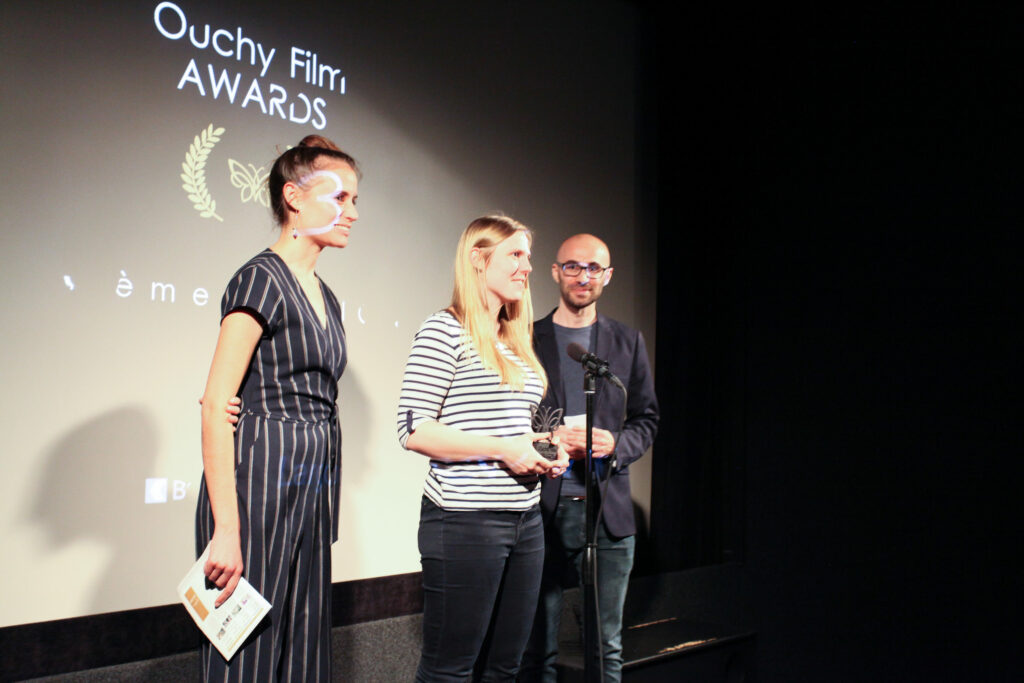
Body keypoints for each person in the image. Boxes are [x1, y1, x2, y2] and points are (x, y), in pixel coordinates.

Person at [195, 135, 359, 681]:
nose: (352, 212)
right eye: (339, 198)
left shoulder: (327, 296)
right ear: (293, 197)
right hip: (259, 484)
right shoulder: (260, 279)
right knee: (247, 658)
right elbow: (216, 404)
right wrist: (227, 528)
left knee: (304, 655)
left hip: (310, 488)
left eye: (354, 200)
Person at [397, 216, 570, 682]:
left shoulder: (515, 340)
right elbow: (413, 430)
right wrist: (503, 450)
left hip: (526, 521)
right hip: (464, 521)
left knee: (505, 669)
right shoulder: (444, 330)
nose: (526, 267)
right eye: (515, 255)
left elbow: (511, 427)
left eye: (528, 256)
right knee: (449, 671)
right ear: (478, 258)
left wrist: (545, 448)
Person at [521, 234, 659, 682]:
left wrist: (615, 444)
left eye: (594, 268)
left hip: (607, 514)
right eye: (573, 266)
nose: (584, 276)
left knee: (605, 649)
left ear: (608, 275)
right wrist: (551, 441)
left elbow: (646, 420)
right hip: (542, 511)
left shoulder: (627, 341)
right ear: (555, 271)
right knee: (536, 650)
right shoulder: (525, 338)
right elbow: (507, 423)